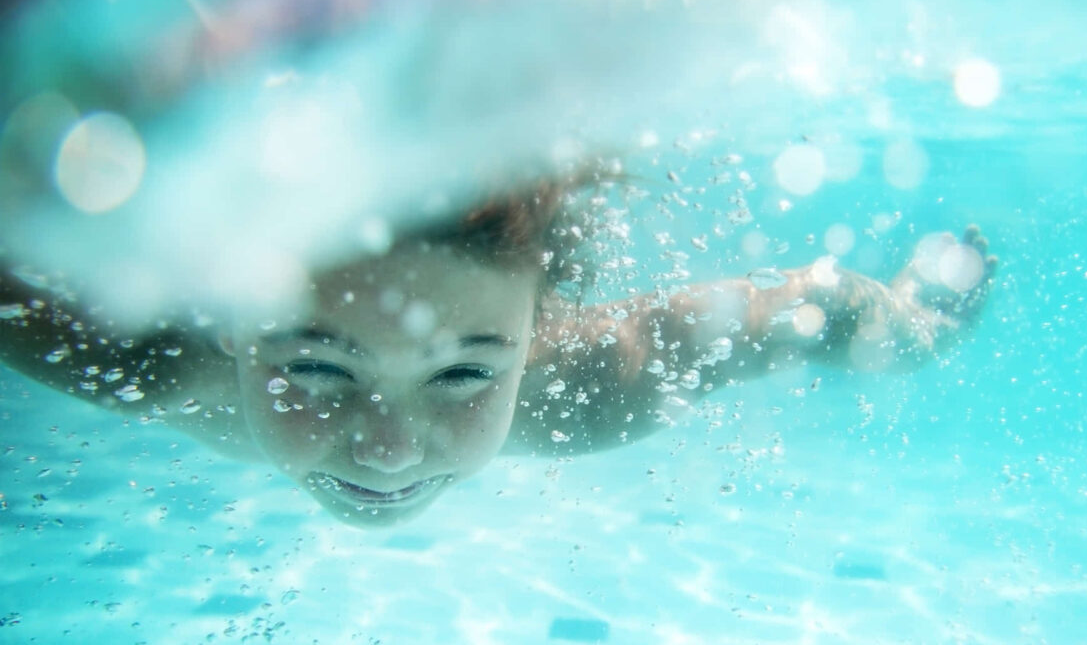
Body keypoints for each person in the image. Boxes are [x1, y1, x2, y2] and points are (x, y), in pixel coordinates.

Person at [0, 174, 997, 528]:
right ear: (225, 314)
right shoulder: (137, 350)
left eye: (469, 369)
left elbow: (805, 309)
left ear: (539, 328)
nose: (388, 450)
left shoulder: (587, 385)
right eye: (316, 366)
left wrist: (914, 322)